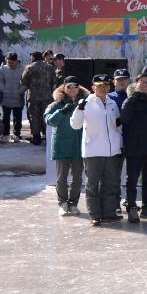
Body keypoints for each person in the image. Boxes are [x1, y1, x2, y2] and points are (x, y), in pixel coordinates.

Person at [70, 74, 123, 226]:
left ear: (109, 87)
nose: (102, 88)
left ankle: (108, 213)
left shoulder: (112, 103)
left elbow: (117, 126)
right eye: (99, 85)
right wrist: (79, 110)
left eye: (105, 85)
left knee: (111, 184)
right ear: (93, 87)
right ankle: (95, 215)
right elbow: (75, 125)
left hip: (112, 152)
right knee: (92, 185)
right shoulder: (85, 103)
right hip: (93, 151)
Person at [118, 72, 147, 222]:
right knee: (132, 179)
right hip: (134, 148)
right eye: (142, 82)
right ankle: (131, 207)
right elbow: (123, 120)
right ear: (136, 84)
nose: (145, 85)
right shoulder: (130, 100)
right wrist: (132, 101)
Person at [44, 76, 87, 216]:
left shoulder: (86, 102)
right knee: (61, 177)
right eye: (69, 86)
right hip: (62, 145)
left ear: (79, 87)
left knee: (77, 177)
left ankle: (73, 203)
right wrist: (61, 111)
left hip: (79, 146)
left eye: (75, 86)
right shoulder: (56, 104)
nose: (72, 89)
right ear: (63, 88)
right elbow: (49, 121)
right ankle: (63, 203)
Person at [21, 51, 56, 145]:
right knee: (46, 116)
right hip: (47, 97)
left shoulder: (29, 68)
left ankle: (36, 138)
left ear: (33, 58)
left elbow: (23, 82)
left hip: (33, 97)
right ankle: (47, 135)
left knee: (34, 117)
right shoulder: (50, 67)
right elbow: (54, 81)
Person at [0, 52, 26, 141]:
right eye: (8, 62)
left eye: (12, 62)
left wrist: (20, 91)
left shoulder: (23, 69)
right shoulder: (2, 69)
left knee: (17, 118)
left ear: (16, 61)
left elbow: (26, 82)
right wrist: (3, 90)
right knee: (5, 117)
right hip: (6, 98)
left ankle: (16, 134)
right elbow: (0, 81)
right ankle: (5, 134)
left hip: (18, 98)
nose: (10, 64)